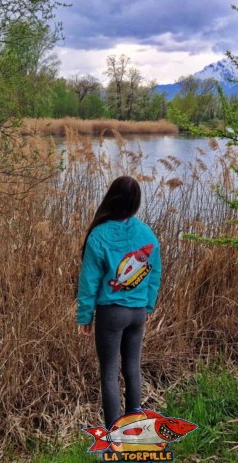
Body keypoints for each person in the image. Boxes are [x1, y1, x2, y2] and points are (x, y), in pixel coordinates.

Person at [76, 176, 162, 429]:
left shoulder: (98, 235)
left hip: (111, 315)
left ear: (111, 198)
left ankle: (114, 433)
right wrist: (148, 306)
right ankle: (134, 421)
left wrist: (85, 316)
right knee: (133, 368)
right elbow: (154, 273)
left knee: (110, 373)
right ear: (136, 202)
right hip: (137, 312)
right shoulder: (146, 233)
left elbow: (89, 281)